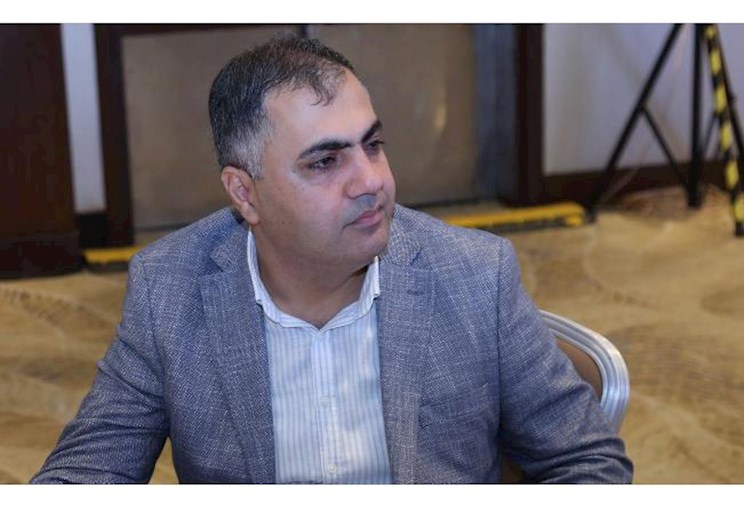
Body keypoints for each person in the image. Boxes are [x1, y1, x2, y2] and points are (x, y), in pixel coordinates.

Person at [31, 35, 632, 484]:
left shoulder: (476, 274)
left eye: (372, 145)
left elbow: (586, 460)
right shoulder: (169, 289)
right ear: (245, 194)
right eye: (324, 162)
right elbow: (88, 473)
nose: (371, 181)